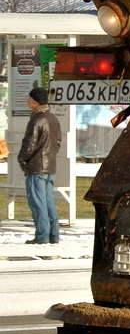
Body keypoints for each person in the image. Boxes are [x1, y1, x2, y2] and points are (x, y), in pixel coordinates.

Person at [18, 87, 61, 244]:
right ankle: (54, 235)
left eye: (30, 99)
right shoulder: (52, 118)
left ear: (36, 102)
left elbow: (29, 144)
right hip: (50, 166)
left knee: (37, 203)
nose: (27, 101)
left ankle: (42, 235)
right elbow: (57, 143)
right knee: (49, 201)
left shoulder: (37, 119)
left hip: (36, 167)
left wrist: (22, 159)